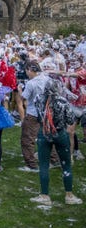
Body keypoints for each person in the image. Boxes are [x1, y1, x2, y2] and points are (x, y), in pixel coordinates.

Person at [29, 77, 82, 206]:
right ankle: (69, 195)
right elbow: (70, 120)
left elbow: (38, 116)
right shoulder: (63, 102)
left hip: (44, 134)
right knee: (66, 164)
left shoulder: (39, 99)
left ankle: (44, 196)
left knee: (44, 165)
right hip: (60, 134)